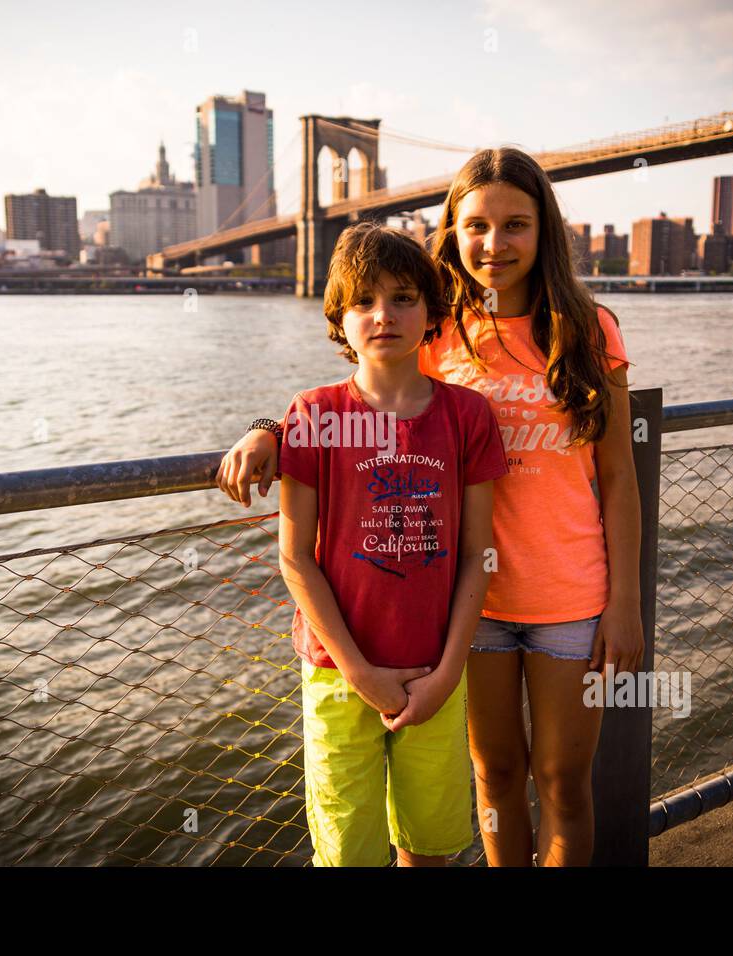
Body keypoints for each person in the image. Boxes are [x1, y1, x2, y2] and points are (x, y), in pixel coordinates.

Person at [219, 147, 645, 867]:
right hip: (462, 609)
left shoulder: (589, 329)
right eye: (475, 225)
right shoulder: (436, 328)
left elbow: (619, 478)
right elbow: (358, 390)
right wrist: (268, 429)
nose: (494, 243)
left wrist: (626, 602)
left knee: (564, 783)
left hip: (570, 595)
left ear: (544, 231)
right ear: (453, 231)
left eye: (515, 224)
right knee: (494, 776)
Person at [276, 220, 507, 867]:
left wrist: (450, 670)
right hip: (335, 671)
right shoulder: (315, 415)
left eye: (404, 297)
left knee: (428, 849)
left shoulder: (467, 416)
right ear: (338, 320)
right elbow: (295, 557)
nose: (384, 314)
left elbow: (477, 554)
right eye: (364, 301)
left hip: (435, 670)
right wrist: (357, 670)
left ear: (432, 313)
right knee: (348, 854)